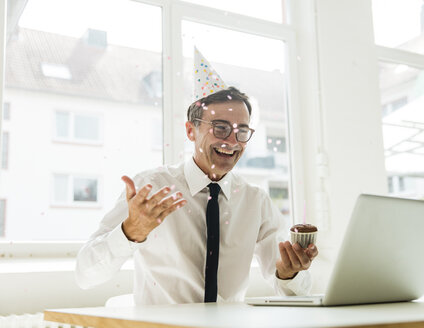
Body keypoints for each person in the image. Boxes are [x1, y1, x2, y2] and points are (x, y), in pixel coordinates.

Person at [76, 50, 318, 304]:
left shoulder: (255, 200)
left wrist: (289, 274)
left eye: (242, 131)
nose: (232, 142)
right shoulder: (149, 190)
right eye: (221, 128)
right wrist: (130, 232)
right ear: (191, 131)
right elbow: (85, 276)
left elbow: (295, 292)